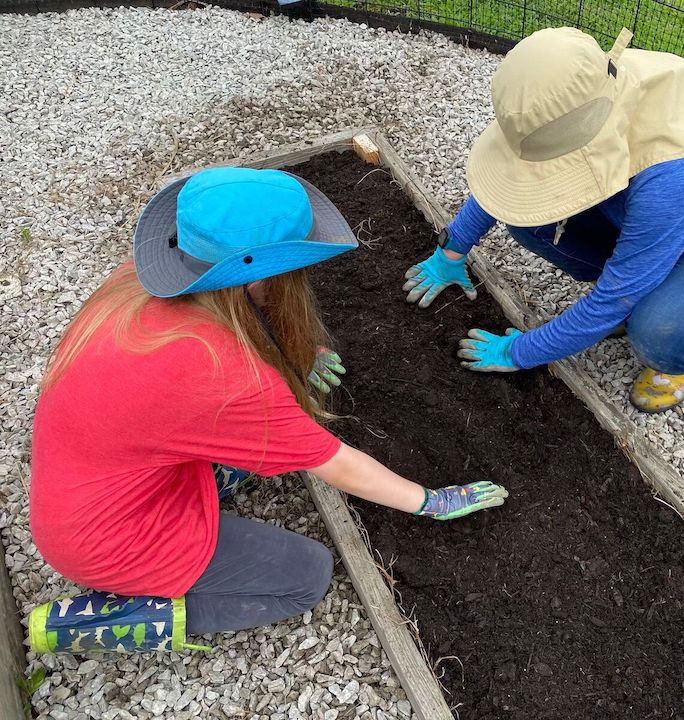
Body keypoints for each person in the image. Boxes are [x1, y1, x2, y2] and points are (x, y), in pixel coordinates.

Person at [28, 167, 508, 654]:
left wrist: (304, 355)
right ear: (262, 273)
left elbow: (248, 323)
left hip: (97, 482)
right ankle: (97, 623)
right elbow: (336, 463)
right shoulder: (221, 376)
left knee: (244, 461)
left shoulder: (148, 279)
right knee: (305, 576)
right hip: (107, 538)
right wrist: (430, 500)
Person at [402, 27, 684, 412]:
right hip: (660, 218)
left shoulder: (675, 173)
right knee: (531, 220)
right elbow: (518, 168)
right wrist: (452, 251)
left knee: (658, 329)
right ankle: (653, 280)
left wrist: (519, 352)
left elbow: (617, 296)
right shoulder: (577, 90)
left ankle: (680, 359)